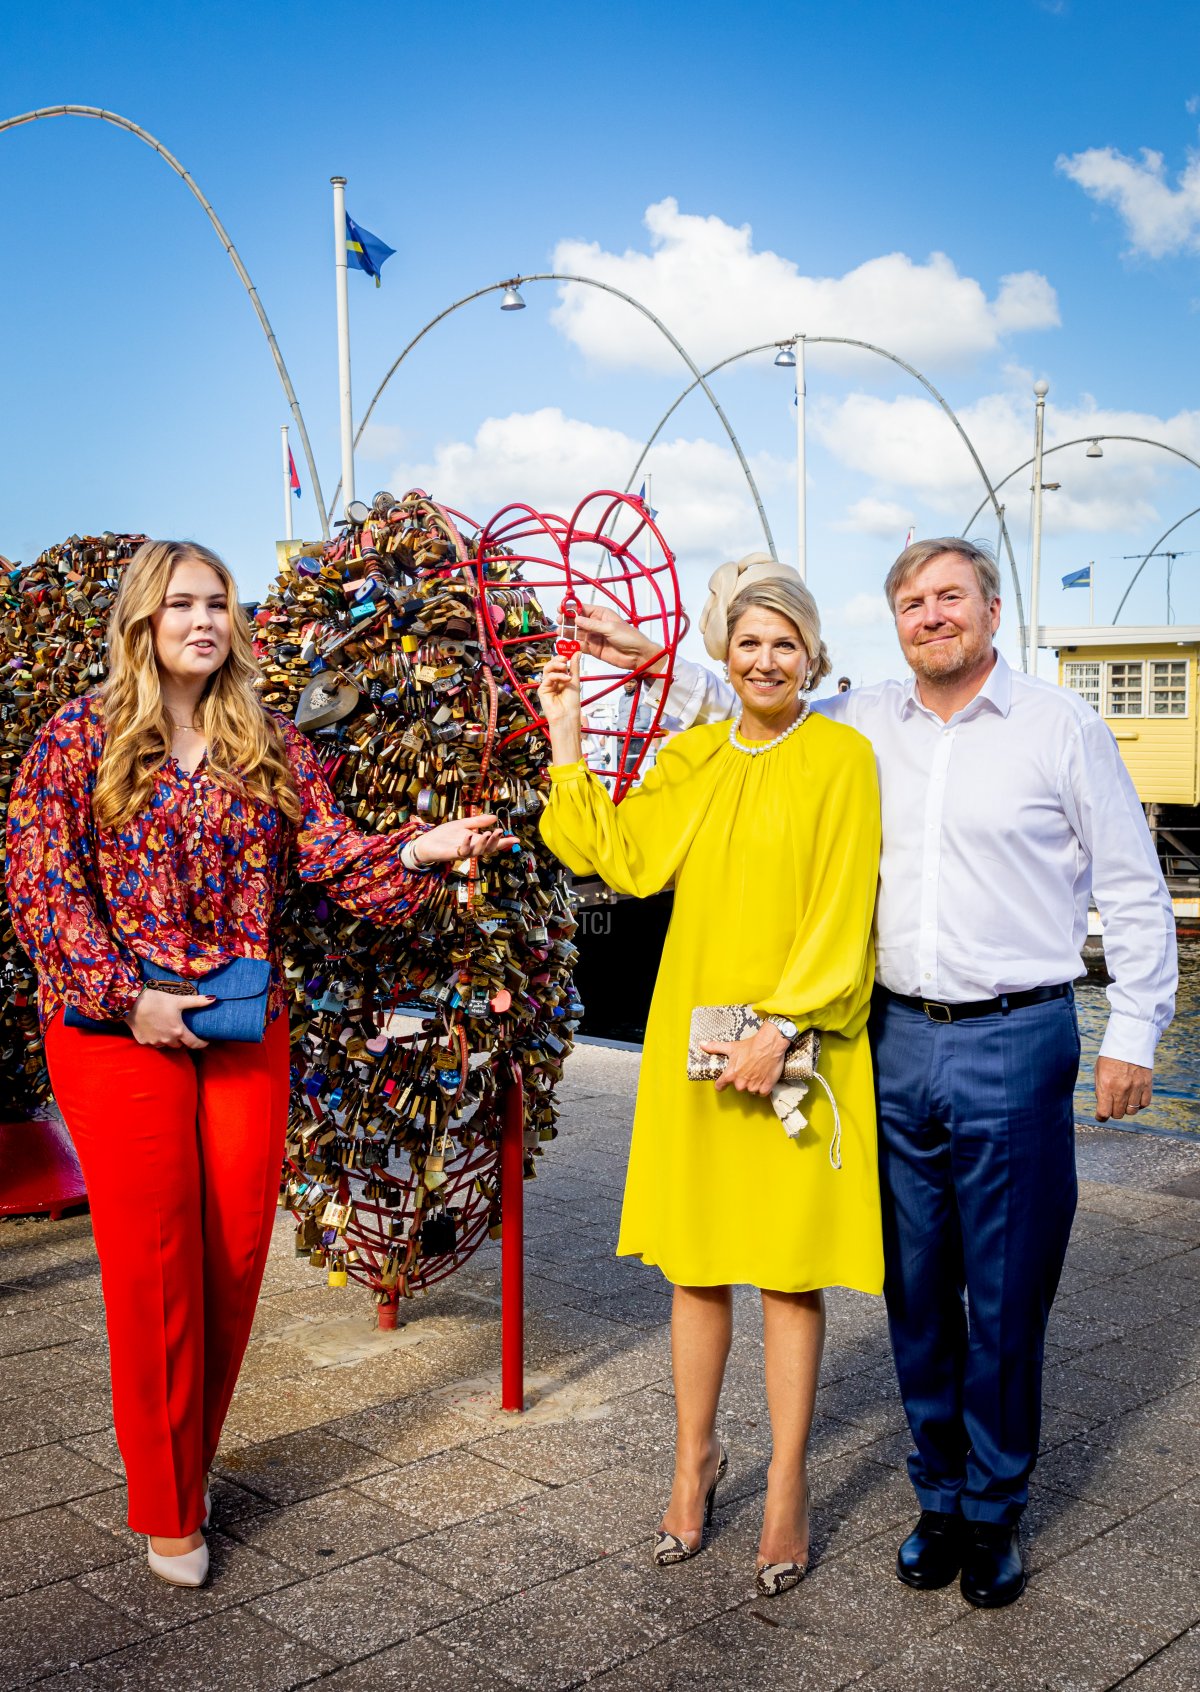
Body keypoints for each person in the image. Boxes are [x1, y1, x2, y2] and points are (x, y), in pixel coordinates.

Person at [573, 539, 1176, 1608]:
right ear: (892, 622)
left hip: (1011, 1029)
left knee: (1005, 1289)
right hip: (894, 1037)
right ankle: (935, 1493)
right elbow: (750, 697)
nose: (933, 617)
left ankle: (993, 1511)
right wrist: (641, 659)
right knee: (916, 1290)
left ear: (993, 607)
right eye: (913, 602)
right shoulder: (866, 719)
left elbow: (1130, 885)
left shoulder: (1058, 727)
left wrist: (1134, 1027)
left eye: (951, 598)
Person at [4, 539, 514, 1589]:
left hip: (239, 1021)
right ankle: (167, 1504)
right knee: (155, 1264)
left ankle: (186, 1460)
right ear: (143, 620)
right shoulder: (74, 739)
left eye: (220, 603)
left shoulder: (268, 740)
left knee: (233, 1257)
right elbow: (39, 886)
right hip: (114, 1029)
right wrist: (125, 998)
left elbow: (333, 863)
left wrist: (420, 849)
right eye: (183, 603)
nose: (205, 620)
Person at [537, 565, 882, 1598]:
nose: (767, 660)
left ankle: (786, 1485)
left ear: (812, 656)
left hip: (799, 1042)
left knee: (785, 1269)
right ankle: (693, 1463)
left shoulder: (844, 757)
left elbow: (843, 911)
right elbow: (624, 859)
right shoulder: (692, 753)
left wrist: (781, 1027)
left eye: (786, 643)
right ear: (724, 657)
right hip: (696, 1045)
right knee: (695, 1265)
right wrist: (563, 736)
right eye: (749, 643)